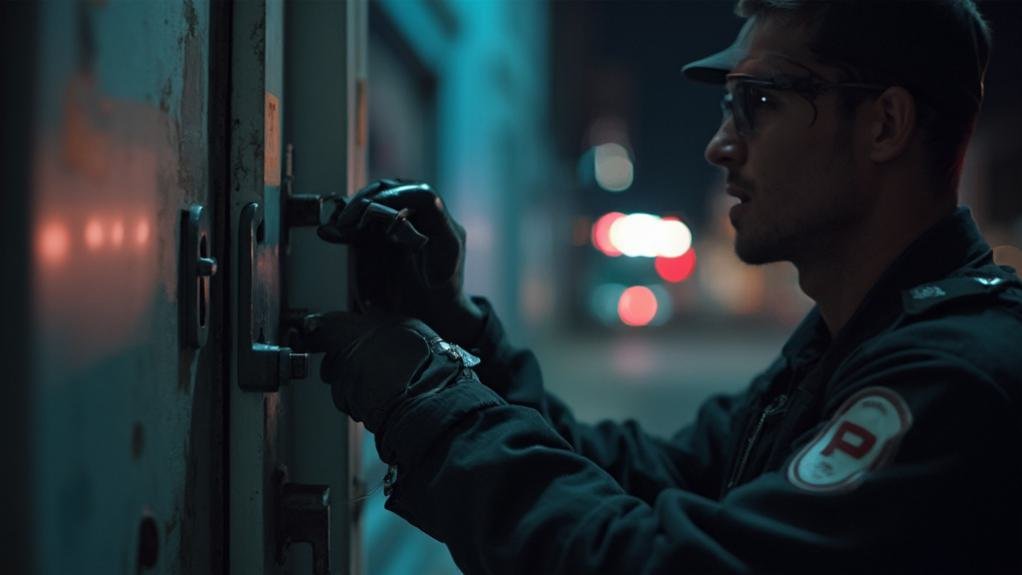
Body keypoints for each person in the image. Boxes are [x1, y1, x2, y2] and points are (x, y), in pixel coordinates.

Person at [306, 1, 1022, 572]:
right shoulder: (853, 340)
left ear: (885, 124)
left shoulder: (949, 378)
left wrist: (430, 403)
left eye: (761, 100)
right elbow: (648, 476)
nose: (720, 144)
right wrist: (459, 334)